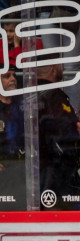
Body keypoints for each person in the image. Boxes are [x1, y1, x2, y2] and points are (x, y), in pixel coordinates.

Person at [37, 58, 80, 211]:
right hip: (57, 168)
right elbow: (66, 131)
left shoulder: (26, 94)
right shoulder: (55, 96)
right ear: (53, 69)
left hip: (37, 167)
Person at [0, 65, 25, 210]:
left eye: (14, 76)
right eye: (7, 76)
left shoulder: (24, 106)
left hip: (22, 172)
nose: (13, 79)